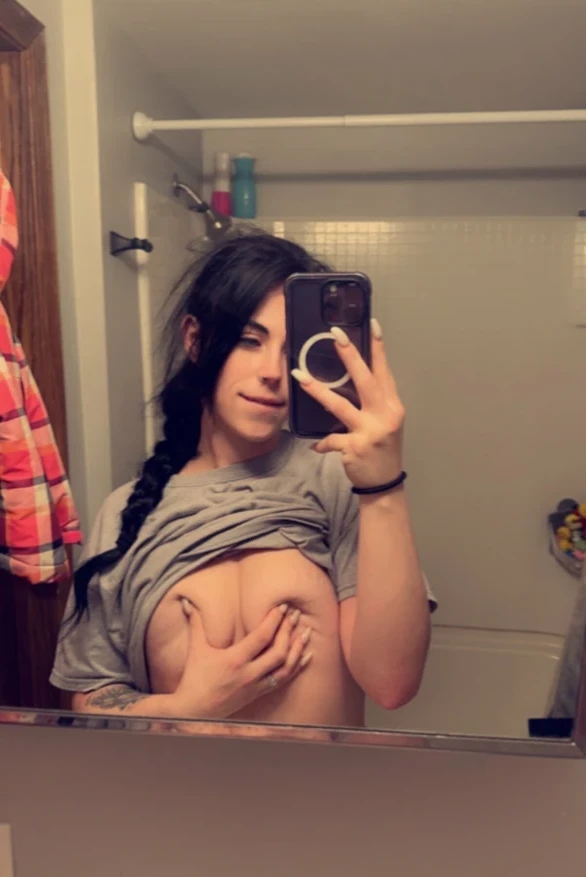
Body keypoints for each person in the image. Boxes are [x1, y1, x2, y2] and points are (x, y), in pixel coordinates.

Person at [51, 232, 435, 727]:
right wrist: (185, 709)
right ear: (195, 339)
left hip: (325, 778)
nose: (272, 372)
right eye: (249, 341)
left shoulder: (337, 478)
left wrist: (383, 486)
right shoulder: (125, 513)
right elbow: (88, 697)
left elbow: (392, 683)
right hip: (179, 777)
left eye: (291, 351)